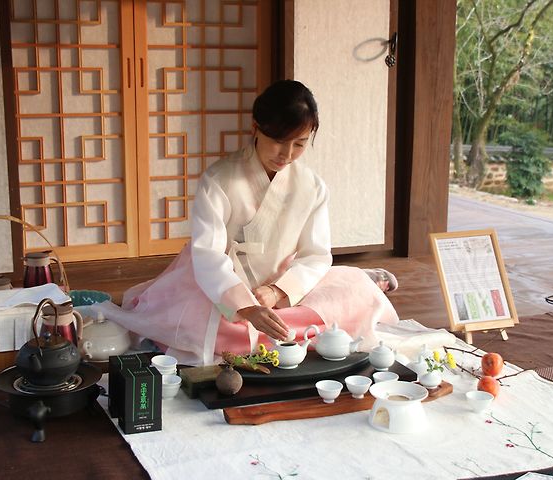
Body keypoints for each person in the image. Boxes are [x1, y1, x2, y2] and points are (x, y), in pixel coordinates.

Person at [99, 80, 400, 365]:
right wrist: (244, 305)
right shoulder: (219, 180)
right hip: (219, 286)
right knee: (207, 327)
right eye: (279, 142)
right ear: (256, 128)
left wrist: (277, 292)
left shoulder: (313, 187)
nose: (286, 154)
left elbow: (315, 256)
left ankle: (283, 324)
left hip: (282, 287)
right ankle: (273, 331)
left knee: (355, 290)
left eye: (299, 144)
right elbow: (208, 255)